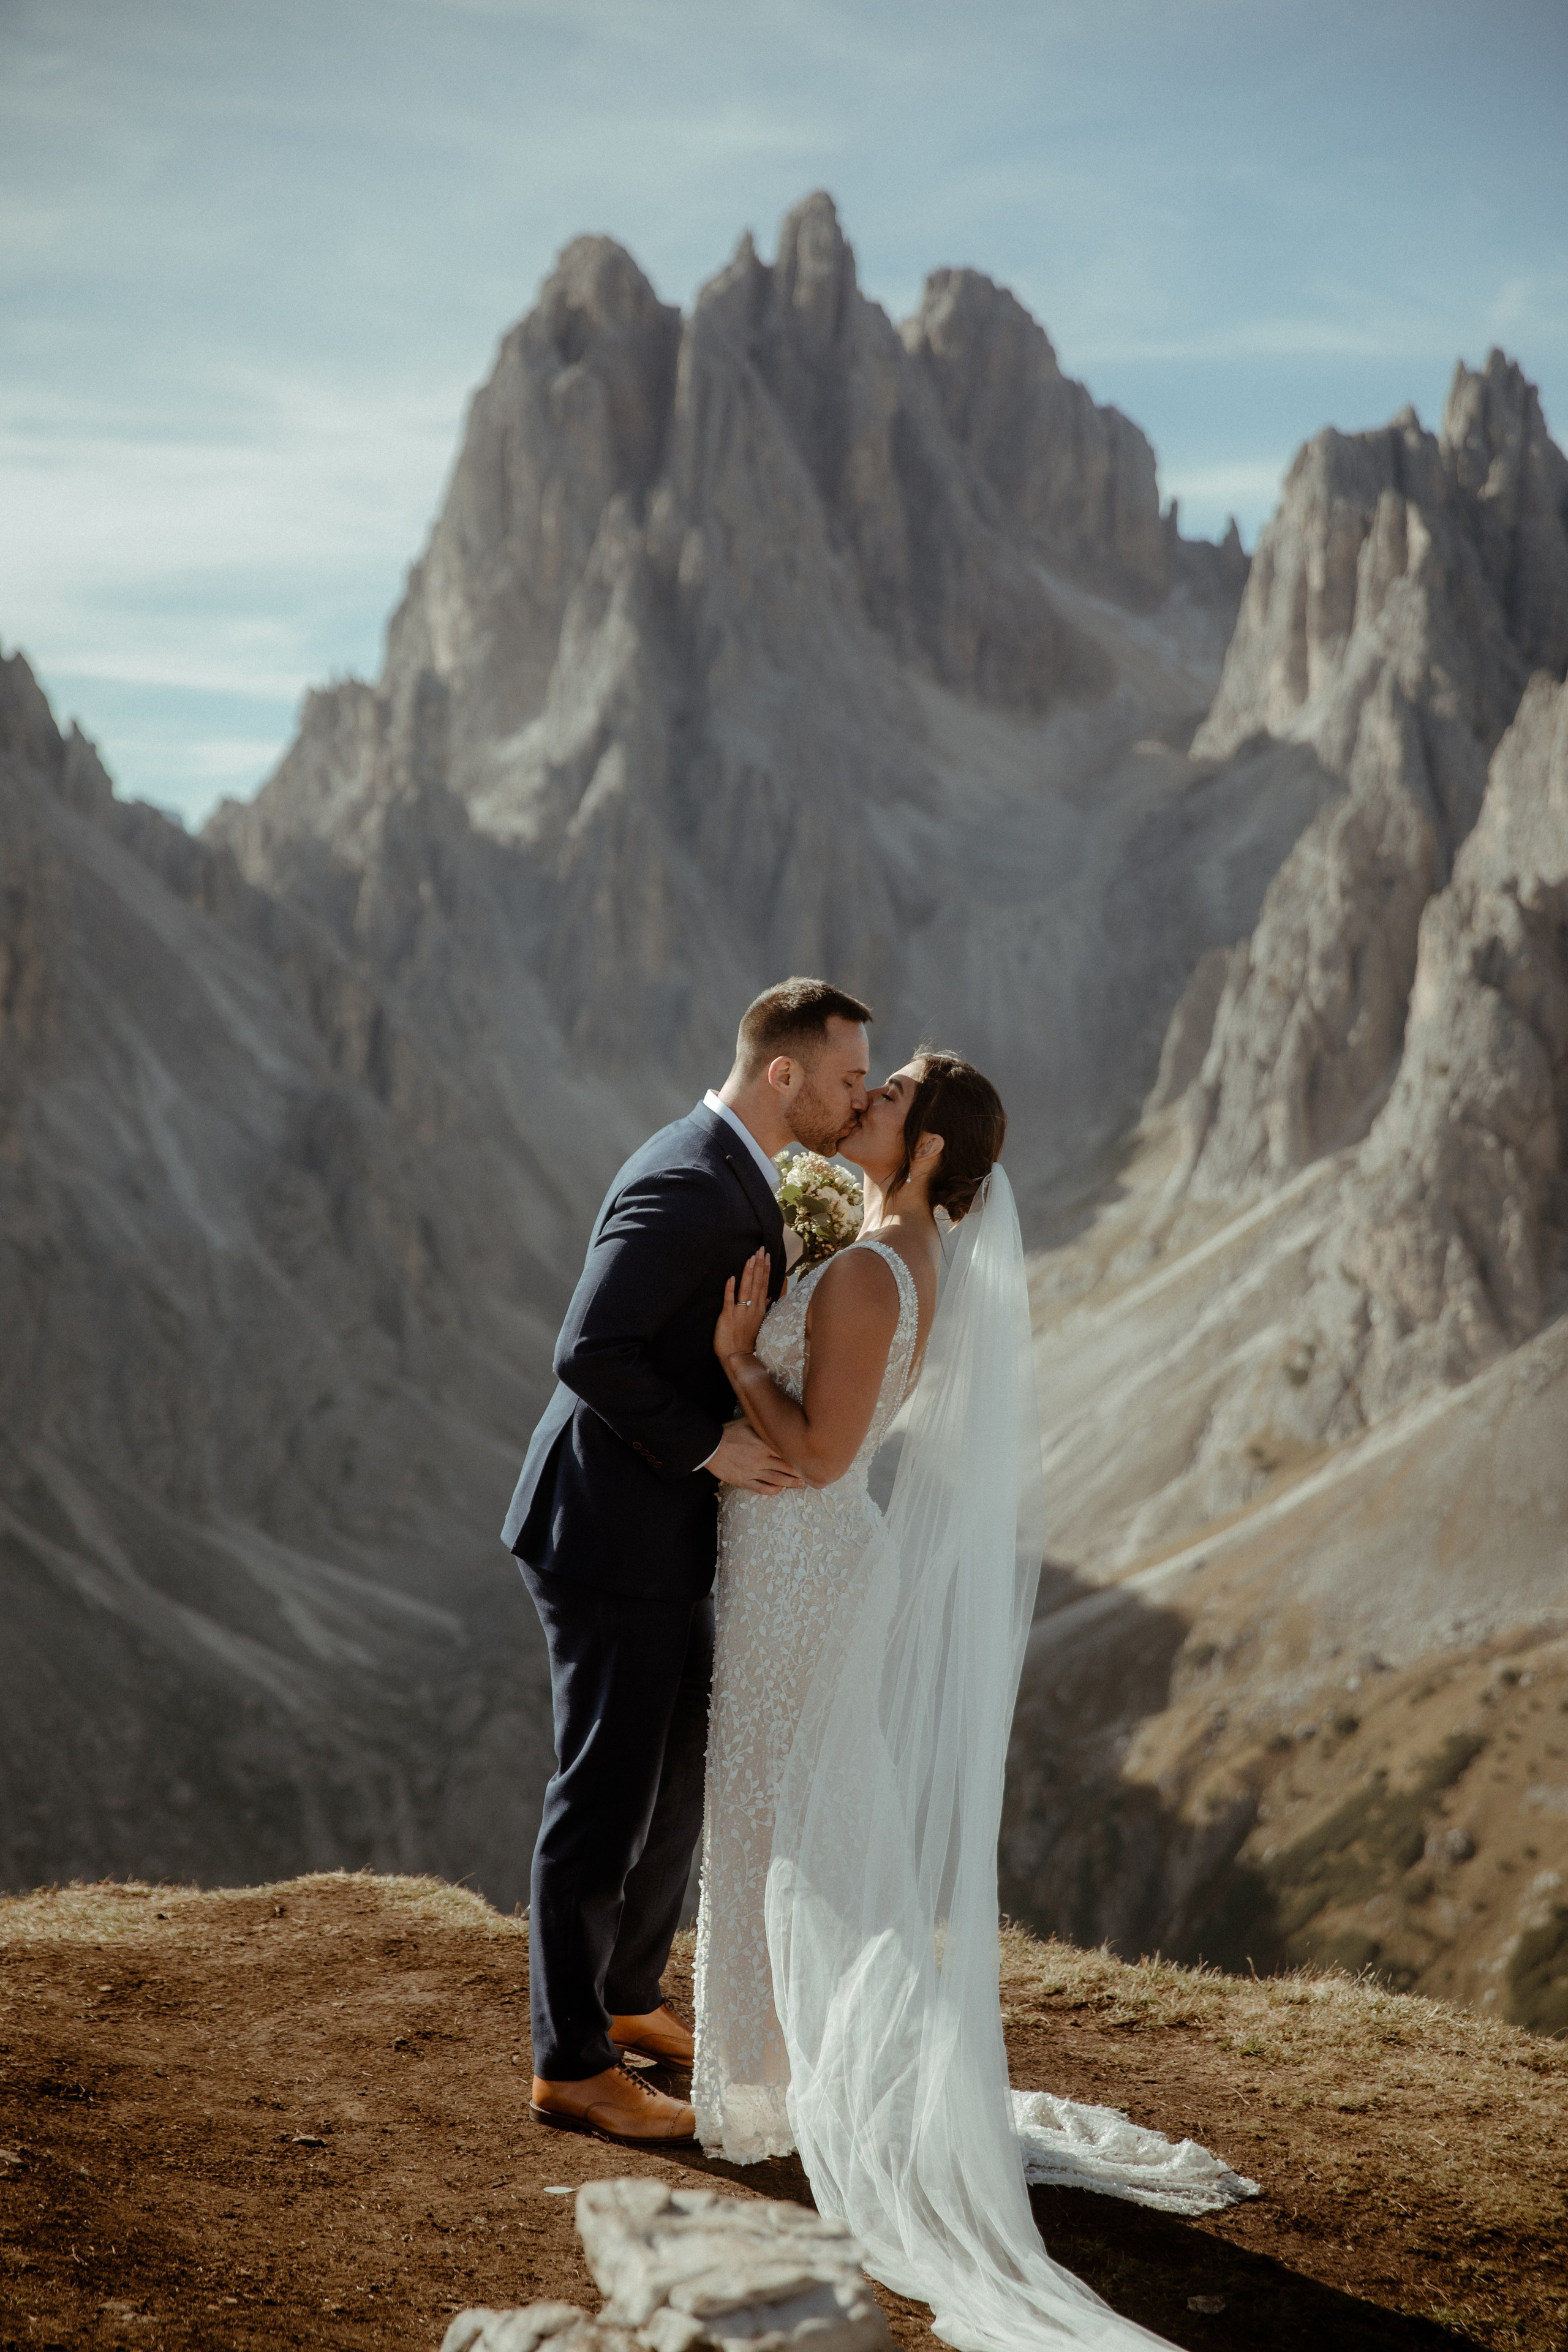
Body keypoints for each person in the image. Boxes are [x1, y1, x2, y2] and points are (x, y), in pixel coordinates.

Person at [694, 1049, 1241, 2352]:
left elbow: (822, 1457)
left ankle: (792, 2078)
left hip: (805, 1563)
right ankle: (781, 2063)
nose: (861, 1099)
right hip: (794, 1562)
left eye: (884, 1099)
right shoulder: (887, 1249)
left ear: (927, 1149)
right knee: (786, 1806)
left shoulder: (882, 1268)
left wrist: (731, 1359)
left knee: (789, 1811)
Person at [500, 976, 872, 2147]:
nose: (858, 1098)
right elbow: (587, 1349)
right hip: (605, 1534)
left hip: (653, 1534)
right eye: (850, 1078)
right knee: (601, 1799)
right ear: (784, 1074)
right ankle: (570, 2066)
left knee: (677, 1770)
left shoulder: (732, 1172)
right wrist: (712, 1441)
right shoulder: (685, 1180)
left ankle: (625, 1997)